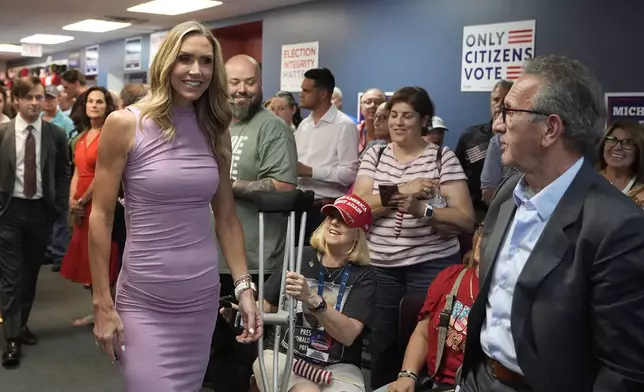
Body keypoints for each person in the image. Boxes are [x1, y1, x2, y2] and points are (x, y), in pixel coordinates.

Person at [88, 21, 262, 391]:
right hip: (144, 301)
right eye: (185, 59)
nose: (195, 70)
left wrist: (244, 285)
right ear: (166, 62)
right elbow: (101, 217)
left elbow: (227, 219)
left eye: (206, 61)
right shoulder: (125, 124)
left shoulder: (216, 128)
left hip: (199, 300)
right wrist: (101, 302)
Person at [459, 55, 644, 392]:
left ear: (550, 129)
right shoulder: (505, 195)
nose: (497, 124)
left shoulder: (617, 227)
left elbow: (623, 371)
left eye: (509, 112)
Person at [353, 87, 474, 389]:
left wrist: (425, 211)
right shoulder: (375, 153)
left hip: (430, 265)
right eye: (393, 115)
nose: (398, 122)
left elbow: (465, 219)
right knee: (382, 346)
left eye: (407, 116)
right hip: (380, 266)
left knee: (425, 343)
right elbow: (357, 208)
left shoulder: (442, 158)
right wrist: (407, 188)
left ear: (424, 120)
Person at [253, 194, 376, 392]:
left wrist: (311, 298)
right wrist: (241, 309)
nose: (334, 222)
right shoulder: (298, 256)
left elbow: (348, 335)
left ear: (359, 233)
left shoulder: (364, 275)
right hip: (286, 356)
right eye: (331, 216)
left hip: (337, 366)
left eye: (344, 220)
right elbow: (266, 306)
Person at [0, 76, 69, 368]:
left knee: (30, 275)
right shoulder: (2, 132)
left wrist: (58, 208)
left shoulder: (55, 134)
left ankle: (20, 323)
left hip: (41, 212)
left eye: (39, 97)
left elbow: (62, 174)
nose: (34, 103)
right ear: (16, 100)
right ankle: (12, 337)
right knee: (11, 276)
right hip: (9, 212)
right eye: (28, 97)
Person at [376, 224, 483, 392]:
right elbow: (423, 333)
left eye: (495, 233)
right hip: (434, 383)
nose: (484, 240)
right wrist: (407, 376)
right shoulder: (451, 276)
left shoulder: (508, 297)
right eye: (484, 230)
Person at [223, 54, 298, 291]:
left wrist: (229, 185)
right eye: (234, 82)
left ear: (261, 84)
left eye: (250, 82)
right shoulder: (215, 124)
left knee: (249, 329)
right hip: (212, 257)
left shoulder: (272, 127)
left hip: (255, 261)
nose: (242, 90)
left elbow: (284, 186)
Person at [60, 86, 120, 326]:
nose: (94, 105)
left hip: (101, 203)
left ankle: (111, 313)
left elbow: (104, 175)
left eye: (100, 102)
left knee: (106, 261)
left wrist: (83, 199)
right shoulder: (81, 137)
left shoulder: (110, 134)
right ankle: (97, 311)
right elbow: (77, 171)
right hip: (81, 208)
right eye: (91, 101)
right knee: (88, 262)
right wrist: (72, 201)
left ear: (107, 107)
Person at [596, 120, 644, 207]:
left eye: (627, 143)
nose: (617, 147)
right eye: (612, 140)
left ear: (639, 150)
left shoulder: (641, 190)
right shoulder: (588, 182)